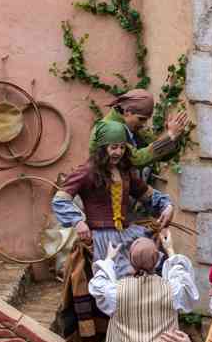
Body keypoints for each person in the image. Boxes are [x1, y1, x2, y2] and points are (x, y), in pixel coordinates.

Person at [52, 119, 175, 279]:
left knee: (149, 268)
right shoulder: (86, 172)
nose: (119, 152)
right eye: (114, 147)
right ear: (102, 149)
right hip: (101, 240)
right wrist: (78, 221)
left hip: (127, 235)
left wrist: (167, 206)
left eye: (122, 147)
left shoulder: (125, 172)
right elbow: (60, 200)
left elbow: (149, 195)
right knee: (112, 282)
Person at [100, 89, 190, 176]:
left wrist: (175, 135)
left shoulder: (134, 126)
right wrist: (170, 136)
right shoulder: (110, 129)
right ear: (127, 112)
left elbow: (162, 155)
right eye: (141, 119)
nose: (144, 123)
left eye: (146, 119)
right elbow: (136, 160)